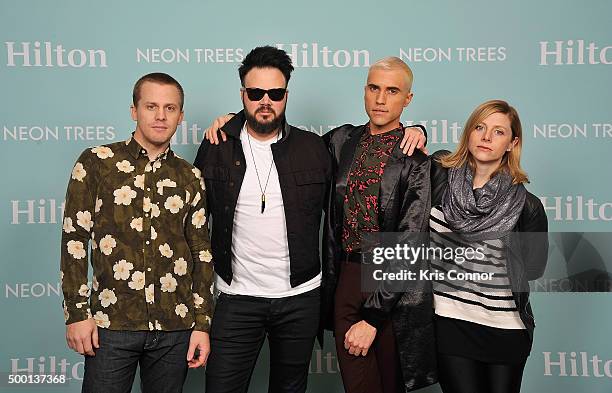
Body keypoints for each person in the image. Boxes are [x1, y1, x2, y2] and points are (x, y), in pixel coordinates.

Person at [60, 73, 214, 393]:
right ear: (134, 111)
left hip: (176, 327)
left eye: (170, 108)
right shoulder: (96, 163)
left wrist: (202, 325)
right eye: (151, 106)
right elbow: (74, 239)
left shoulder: (190, 176)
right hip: (112, 326)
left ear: (180, 116)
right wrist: (76, 313)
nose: (161, 116)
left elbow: (201, 251)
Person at [193, 46, 332, 393]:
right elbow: (191, 222)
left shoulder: (314, 148)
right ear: (242, 95)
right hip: (236, 296)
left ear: (286, 95)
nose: (265, 101)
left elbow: (363, 159)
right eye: (255, 93)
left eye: (275, 93)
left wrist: (413, 129)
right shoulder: (217, 145)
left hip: (300, 297)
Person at [321, 57, 437, 393]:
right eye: (374, 88)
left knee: (389, 386)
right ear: (365, 91)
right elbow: (289, 144)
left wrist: (373, 318)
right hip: (347, 273)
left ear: (408, 99)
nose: (381, 99)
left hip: (391, 284)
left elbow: (411, 241)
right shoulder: (342, 140)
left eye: (392, 90)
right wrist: (235, 121)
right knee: (358, 385)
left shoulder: (416, 161)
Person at [429, 100, 549, 393]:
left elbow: (533, 270)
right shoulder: (437, 173)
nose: (485, 137)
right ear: (469, 133)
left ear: (512, 143)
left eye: (498, 132)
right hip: (450, 320)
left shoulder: (527, 206)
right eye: (480, 127)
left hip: (505, 327)